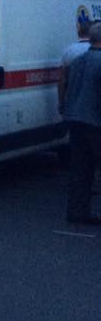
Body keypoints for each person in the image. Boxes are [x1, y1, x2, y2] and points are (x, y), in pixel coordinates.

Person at [61, 21, 101, 224]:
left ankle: (77, 212)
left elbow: (66, 86)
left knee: (80, 168)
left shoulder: (78, 61)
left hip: (75, 119)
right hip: (95, 121)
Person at [58, 16, 93, 113]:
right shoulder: (96, 50)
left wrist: (61, 102)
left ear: (78, 33)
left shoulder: (68, 51)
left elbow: (62, 81)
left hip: (73, 102)